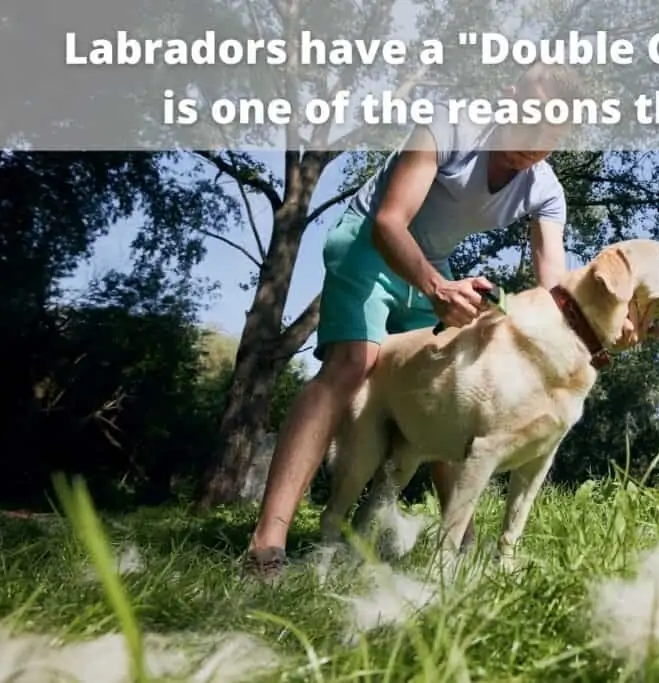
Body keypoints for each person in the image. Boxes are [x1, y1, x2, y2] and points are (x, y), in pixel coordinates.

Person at [243, 62, 586, 581]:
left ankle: (460, 547)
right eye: (529, 120)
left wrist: (604, 322)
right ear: (508, 96)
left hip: (432, 265)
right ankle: (267, 543)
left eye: (550, 134)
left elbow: (553, 287)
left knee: (453, 386)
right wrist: (437, 288)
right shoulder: (447, 126)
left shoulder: (545, 191)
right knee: (352, 363)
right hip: (368, 241)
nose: (533, 142)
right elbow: (389, 221)